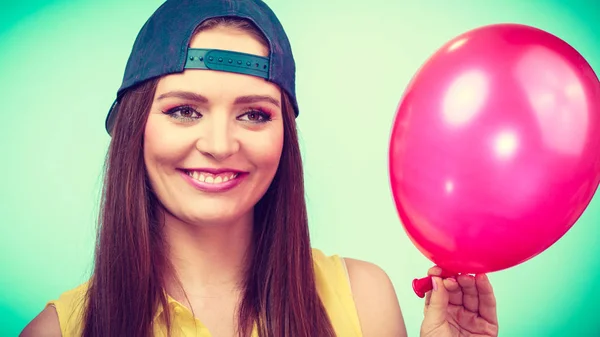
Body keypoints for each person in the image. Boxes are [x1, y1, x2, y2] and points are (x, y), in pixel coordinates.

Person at [20, 1, 499, 336]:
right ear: (134, 128)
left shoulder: (365, 299)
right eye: (184, 110)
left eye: (254, 114)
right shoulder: (57, 332)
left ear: (283, 138)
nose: (220, 144)